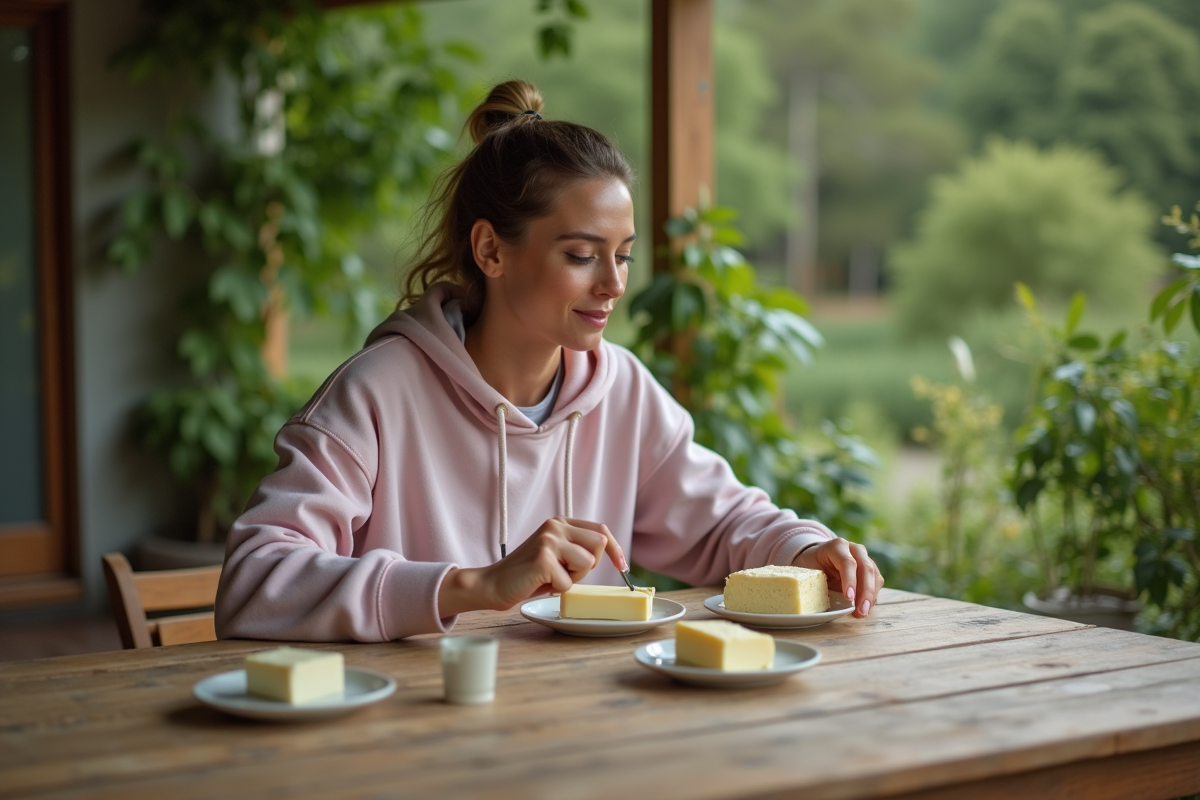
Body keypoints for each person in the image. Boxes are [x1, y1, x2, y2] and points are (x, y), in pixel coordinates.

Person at [215, 80, 883, 642]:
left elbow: (725, 523)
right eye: (580, 255)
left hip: (577, 736)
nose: (614, 284)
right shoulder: (377, 394)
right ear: (491, 251)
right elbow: (253, 582)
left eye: (621, 254)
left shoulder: (620, 389)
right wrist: (471, 585)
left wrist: (803, 549)